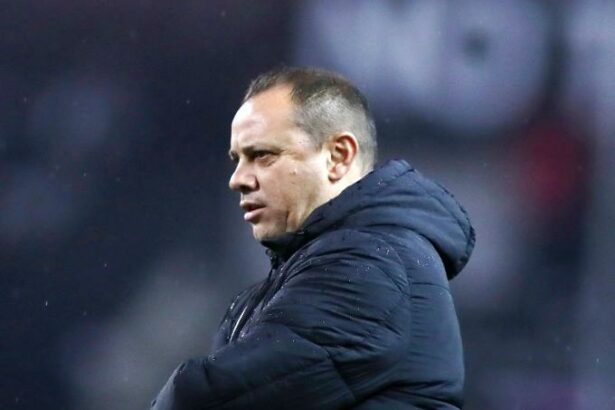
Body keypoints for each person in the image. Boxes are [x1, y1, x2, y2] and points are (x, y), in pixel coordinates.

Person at [151, 67, 475, 409]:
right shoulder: (335, 262)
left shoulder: (369, 264)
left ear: (338, 157)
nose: (238, 179)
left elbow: (210, 398)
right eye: (238, 159)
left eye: (262, 155)